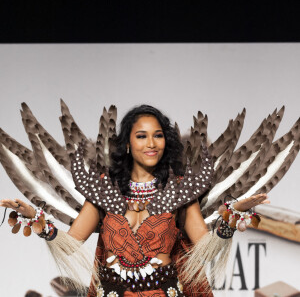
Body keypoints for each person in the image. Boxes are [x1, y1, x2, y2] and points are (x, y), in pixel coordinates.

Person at [0, 104, 274, 297]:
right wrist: (36, 219)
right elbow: (71, 244)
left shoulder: (180, 191)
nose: (151, 143)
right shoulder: (104, 189)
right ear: (128, 144)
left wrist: (231, 214)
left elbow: (205, 248)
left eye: (158, 136)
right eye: (141, 136)